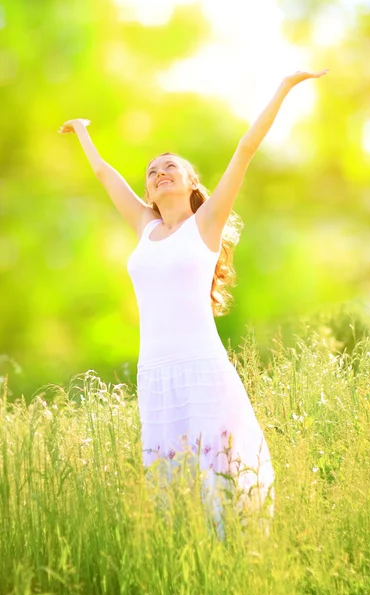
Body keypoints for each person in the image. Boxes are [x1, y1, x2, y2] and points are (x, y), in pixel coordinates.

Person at [58, 68, 329, 538]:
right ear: (148, 191)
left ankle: (241, 555)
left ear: (189, 183)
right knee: (169, 476)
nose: (160, 174)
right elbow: (104, 175)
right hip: (155, 372)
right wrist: (82, 131)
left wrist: (284, 87)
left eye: (170, 168)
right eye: (152, 172)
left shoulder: (206, 225)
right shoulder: (144, 227)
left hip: (202, 366)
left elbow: (245, 148)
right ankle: (186, 559)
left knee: (218, 469)